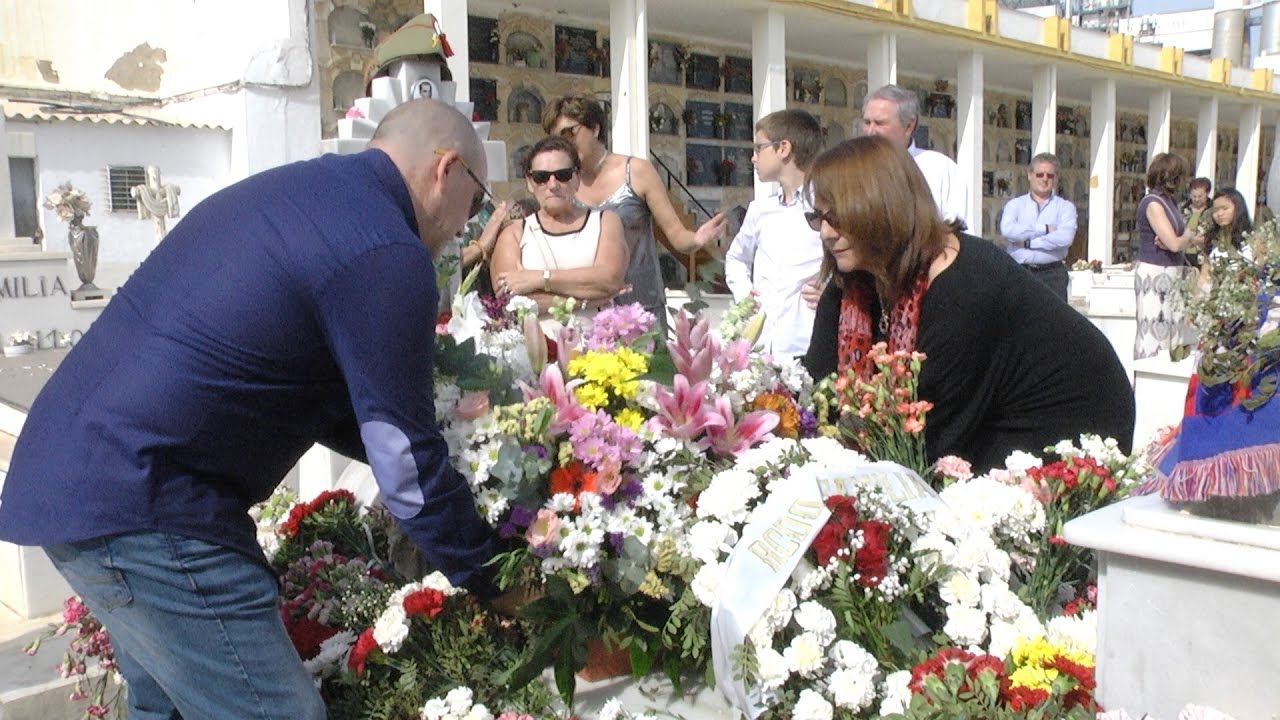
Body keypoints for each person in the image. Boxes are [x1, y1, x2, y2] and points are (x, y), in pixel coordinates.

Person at [0, 99, 502, 720]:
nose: (467, 226)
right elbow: (403, 464)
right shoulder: (385, 249)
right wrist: (493, 577)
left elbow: (312, 394)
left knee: (167, 709)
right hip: (148, 498)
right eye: (476, 202)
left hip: (73, 474)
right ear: (447, 169)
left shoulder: (301, 195)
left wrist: (440, 435)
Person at [801, 136, 1134, 472]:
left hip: (1059, 430)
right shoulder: (852, 281)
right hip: (982, 425)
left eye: (838, 216)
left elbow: (932, 440)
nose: (825, 233)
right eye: (818, 217)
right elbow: (817, 391)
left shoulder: (964, 286)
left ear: (882, 208)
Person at [543, 95, 727, 323]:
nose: (565, 145)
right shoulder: (562, 183)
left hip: (642, 308)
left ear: (595, 128)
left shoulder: (636, 171)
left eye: (569, 133)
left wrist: (697, 239)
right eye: (556, 140)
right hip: (589, 312)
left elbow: (677, 236)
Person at [490, 135, 628, 327]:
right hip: (536, 343)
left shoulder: (605, 221)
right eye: (541, 177)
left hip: (596, 343)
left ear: (577, 178)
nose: (553, 185)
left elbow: (609, 279)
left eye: (563, 175)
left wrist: (538, 279)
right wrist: (586, 301)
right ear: (529, 182)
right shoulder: (515, 233)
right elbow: (510, 301)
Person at [723, 109, 825, 359]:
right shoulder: (761, 209)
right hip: (762, 344)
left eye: (759, 148)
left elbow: (846, 261)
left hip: (805, 341)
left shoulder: (824, 206)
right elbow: (736, 257)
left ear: (784, 148)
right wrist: (745, 294)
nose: (753, 158)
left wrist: (831, 293)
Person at [860, 84, 973, 230]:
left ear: (909, 126)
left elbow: (959, 233)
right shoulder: (851, 169)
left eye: (879, 123)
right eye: (867, 122)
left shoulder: (940, 170)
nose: (870, 131)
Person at [1134, 152, 1198, 360]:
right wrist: (1186, 236)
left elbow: (1176, 241)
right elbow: (1174, 243)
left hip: (1172, 273)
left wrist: (1183, 238)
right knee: (1155, 331)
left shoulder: (1169, 202)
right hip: (1156, 272)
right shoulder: (1153, 203)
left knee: (1174, 331)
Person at [999, 152, 1077, 300]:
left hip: (1052, 275)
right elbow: (1008, 231)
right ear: (1030, 175)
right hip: (1020, 272)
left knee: (1053, 315)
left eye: (1050, 175)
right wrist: (1044, 229)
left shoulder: (1066, 207)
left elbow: (1064, 238)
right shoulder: (1014, 205)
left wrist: (1028, 243)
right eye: (1040, 174)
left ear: (1056, 178)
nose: (1045, 179)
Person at [1181, 176, 1213, 268]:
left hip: (1204, 256)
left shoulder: (1213, 210)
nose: (1197, 199)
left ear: (1207, 193)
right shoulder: (1182, 208)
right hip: (1182, 255)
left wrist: (1206, 239)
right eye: (1194, 196)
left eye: (1200, 196)